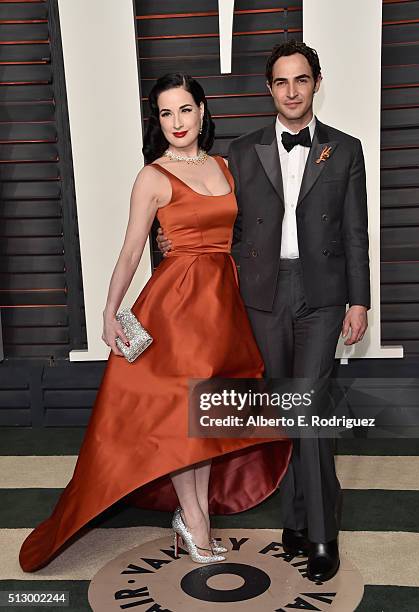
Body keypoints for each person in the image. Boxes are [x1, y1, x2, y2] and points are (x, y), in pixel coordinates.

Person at [19, 73, 292, 572]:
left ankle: (195, 517)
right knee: (184, 422)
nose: (177, 122)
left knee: (208, 419)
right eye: (166, 114)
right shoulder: (153, 176)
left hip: (223, 306)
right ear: (157, 121)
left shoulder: (227, 167)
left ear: (202, 111)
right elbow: (129, 251)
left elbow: (246, 233)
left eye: (185, 110)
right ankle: (196, 521)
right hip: (177, 307)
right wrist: (108, 311)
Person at [158, 41, 370, 582]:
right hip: (261, 294)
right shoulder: (241, 150)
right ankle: (295, 522)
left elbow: (355, 232)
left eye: (301, 80)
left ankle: (321, 535)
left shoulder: (346, 150)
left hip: (323, 296)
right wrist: (173, 240)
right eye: (281, 82)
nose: (292, 91)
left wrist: (360, 299)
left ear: (317, 83)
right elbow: (217, 215)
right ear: (269, 89)